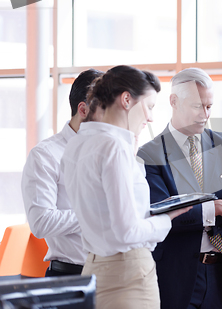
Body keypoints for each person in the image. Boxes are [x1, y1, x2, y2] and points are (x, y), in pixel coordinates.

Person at [61, 65, 190, 309]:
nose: (151, 117)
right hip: (129, 273)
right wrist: (166, 219)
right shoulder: (113, 146)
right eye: (149, 106)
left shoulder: (77, 144)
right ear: (127, 99)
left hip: (93, 267)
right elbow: (126, 231)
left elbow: (103, 215)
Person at [137, 68, 222, 309]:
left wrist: (219, 213)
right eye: (197, 106)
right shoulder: (150, 153)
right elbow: (161, 213)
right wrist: (215, 208)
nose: (204, 115)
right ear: (174, 102)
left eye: (209, 106)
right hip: (177, 277)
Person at [21, 68, 103, 277]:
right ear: (83, 110)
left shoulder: (111, 153)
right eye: (108, 111)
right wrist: (96, 214)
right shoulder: (46, 155)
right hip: (71, 277)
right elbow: (41, 222)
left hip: (116, 277)